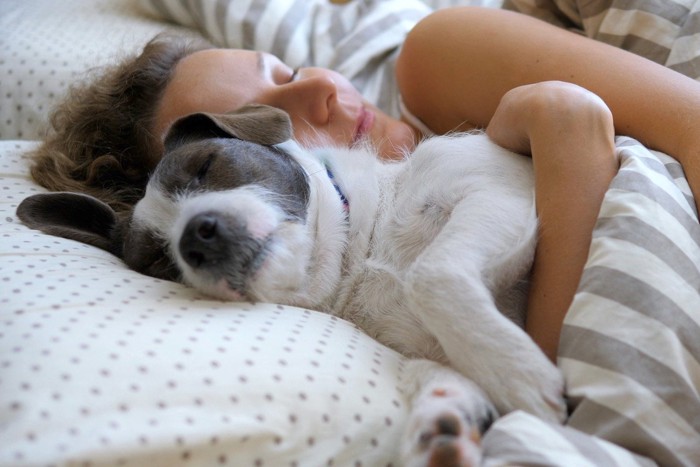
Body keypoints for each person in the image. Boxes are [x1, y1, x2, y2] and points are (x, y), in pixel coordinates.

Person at [28, 5, 700, 362]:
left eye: (286, 71)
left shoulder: (436, 58)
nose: (321, 86)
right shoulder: (369, 302)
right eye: (257, 131)